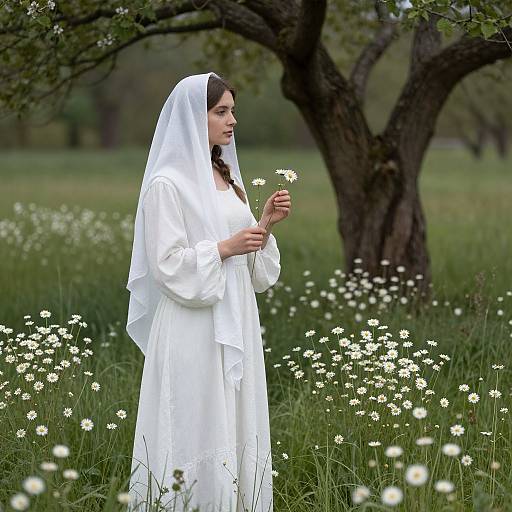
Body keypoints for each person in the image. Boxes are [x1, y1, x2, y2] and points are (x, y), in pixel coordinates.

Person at [125, 72, 292, 511]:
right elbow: (167, 265)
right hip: (192, 323)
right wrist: (224, 248)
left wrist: (264, 224)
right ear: (191, 118)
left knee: (233, 419)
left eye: (232, 111)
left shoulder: (227, 177)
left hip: (234, 314)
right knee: (195, 419)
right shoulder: (167, 184)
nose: (232, 120)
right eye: (221, 111)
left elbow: (247, 262)